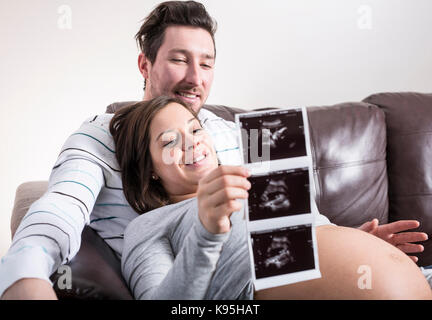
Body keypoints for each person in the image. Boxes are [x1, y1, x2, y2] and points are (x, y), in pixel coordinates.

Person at [0, 0, 428, 300]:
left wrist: (352, 241)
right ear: (144, 65)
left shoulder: (237, 131)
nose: (194, 77)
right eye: (179, 59)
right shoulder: (101, 137)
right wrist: (24, 277)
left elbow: (298, 225)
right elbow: (56, 213)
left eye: (206, 63)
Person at [112, 96, 432, 299]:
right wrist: (206, 233)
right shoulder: (149, 226)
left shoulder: (255, 176)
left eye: (195, 130)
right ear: (149, 168)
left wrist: (359, 241)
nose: (192, 143)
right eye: (169, 141)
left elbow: (307, 249)